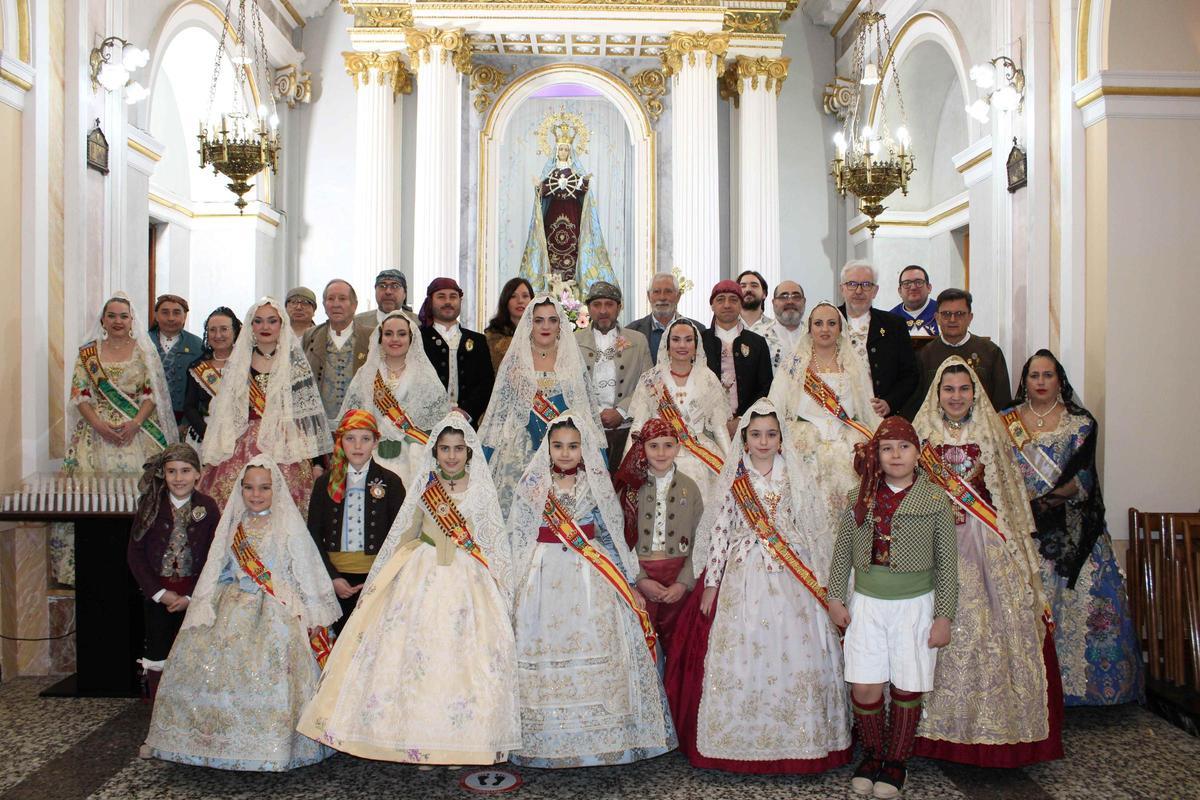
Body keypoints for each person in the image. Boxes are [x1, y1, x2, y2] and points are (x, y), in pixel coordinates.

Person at [297, 415, 520, 764]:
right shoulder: (423, 487)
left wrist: (502, 586)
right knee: (419, 659)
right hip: (423, 574)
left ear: (469, 452)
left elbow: (492, 540)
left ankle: (462, 741)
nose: (451, 456)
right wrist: (381, 582)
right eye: (444, 449)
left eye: (458, 449)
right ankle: (418, 740)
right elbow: (404, 534)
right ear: (435, 451)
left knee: (461, 662)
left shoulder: (480, 488)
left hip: (467, 580)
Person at [665, 400, 851, 773]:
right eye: (755, 435)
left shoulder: (795, 475)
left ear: (781, 438)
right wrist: (712, 583)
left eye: (770, 434)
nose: (763, 442)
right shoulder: (734, 477)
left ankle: (803, 740)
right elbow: (719, 531)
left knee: (800, 651)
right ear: (744, 439)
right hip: (743, 571)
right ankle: (738, 742)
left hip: (793, 573)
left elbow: (814, 529)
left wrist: (826, 584)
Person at [911, 357, 1063, 767]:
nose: (956, 396)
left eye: (963, 389)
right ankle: (926, 730)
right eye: (949, 389)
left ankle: (997, 729)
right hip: (934, 537)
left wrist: (1013, 544)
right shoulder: (921, 434)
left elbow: (1008, 493)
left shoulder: (992, 434)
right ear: (937, 394)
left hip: (983, 538)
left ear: (974, 392)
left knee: (995, 621)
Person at [145, 455, 341, 771]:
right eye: (249, 487)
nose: (256, 494)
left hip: (276, 610)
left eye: (264, 488)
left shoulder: (287, 527)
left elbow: (304, 570)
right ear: (240, 490)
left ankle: (271, 745)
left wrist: (311, 612)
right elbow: (217, 568)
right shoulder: (232, 526)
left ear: (276, 489)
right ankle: (210, 742)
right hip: (231, 605)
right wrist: (205, 602)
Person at [507, 413, 676, 767]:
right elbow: (519, 535)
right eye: (558, 446)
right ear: (547, 448)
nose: (565, 453)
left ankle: (606, 733)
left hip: (590, 571)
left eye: (573, 446)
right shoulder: (533, 484)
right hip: (542, 573)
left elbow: (610, 533)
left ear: (583, 449)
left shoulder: (595, 483)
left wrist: (628, 581)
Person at [828, 417, 958, 799]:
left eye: (904, 447)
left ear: (918, 453)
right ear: (876, 455)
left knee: (907, 683)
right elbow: (841, 556)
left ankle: (896, 763)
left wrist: (944, 616)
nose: (895, 455)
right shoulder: (858, 497)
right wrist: (835, 597)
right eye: (887, 448)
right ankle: (872, 754)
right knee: (866, 684)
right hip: (867, 603)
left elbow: (947, 564)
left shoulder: (935, 500)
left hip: (915, 606)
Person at [1002, 350, 1142, 706]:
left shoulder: (1080, 422)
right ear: (1025, 380)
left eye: (1048, 375)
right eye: (1034, 376)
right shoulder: (1005, 420)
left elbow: (1085, 477)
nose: (1041, 382)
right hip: (1024, 527)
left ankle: (1080, 690)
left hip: (1072, 528)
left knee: (1077, 603)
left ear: (1059, 379)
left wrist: (1053, 496)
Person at [56, 294, 177, 585]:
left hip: (138, 432)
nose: (118, 321)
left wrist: (135, 423)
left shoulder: (143, 352)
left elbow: (152, 394)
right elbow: (80, 394)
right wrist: (99, 425)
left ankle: (142, 567)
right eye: (112, 316)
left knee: (141, 500)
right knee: (92, 501)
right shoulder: (88, 354)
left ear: (131, 320)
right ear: (103, 320)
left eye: (123, 316)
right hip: (94, 435)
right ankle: (93, 564)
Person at [199, 297, 332, 515]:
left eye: (272, 321)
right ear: (251, 326)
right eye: (258, 321)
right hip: (241, 443)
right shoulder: (240, 361)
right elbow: (224, 412)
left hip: (286, 444)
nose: (265, 327)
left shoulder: (294, 363)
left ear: (281, 325)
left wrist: (317, 462)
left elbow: (307, 413)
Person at [479, 294, 600, 513]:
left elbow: (582, 409)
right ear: (529, 324)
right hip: (520, 451)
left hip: (564, 450)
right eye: (538, 320)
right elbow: (500, 411)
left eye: (552, 320)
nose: (546, 326)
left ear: (560, 325)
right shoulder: (516, 361)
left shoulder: (571, 360)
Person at [767, 303, 881, 533]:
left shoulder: (852, 363)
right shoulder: (795, 363)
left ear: (841, 328)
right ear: (809, 328)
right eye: (818, 323)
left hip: (846, 439)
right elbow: (775, 403)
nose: (825, 329)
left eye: (831, 323)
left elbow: (867, 407)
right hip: (805, 442)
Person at [126, 443, 220, 712]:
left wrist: (192, 596)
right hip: (158, 595)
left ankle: (191, 712)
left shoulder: (208, 507)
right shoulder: (150, 505)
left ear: (198, 474)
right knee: (158, 651)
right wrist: (159, 593)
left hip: (193, 596)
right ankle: (160, 712)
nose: (179, 478)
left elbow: (214, 555)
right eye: (172, 472)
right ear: (163, 474)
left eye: (185, 471)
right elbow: (135, 553)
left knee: (192, 652)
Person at [307, 409, 405, 634]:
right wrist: (332, 578)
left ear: (375, 442)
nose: (358, 446)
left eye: (365, 439)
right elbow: (313, 533)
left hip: (376, 579)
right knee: (340, 639)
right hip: (336, 580)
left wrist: (380, 577)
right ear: (340, 441)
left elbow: (399, 534)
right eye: (350, 438)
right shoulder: (324, 483)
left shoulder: (391, 482)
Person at [613, 418, 703, 657]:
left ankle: (674, 693)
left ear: (678, 447)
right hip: (642, 574)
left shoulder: (690, 488)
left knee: (679, 648)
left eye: (668, 445)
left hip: (679, 577)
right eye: (654, 446)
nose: (661, 453)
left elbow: (699, 539)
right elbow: (619, 539)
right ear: (642, 448)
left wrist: (683, 582)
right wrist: (639, 579)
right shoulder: (630, 488)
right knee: (642, 644)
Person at [339, 311, 450, 487]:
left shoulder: (425, 376)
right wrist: (380, 427)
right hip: (371, 455)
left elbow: (438, 423)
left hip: (414, 459)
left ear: (411, 338)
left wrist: (402, 429)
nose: (395, 339)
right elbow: (351, 418)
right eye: (388, 334)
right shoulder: (366, 374)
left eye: (402, 334)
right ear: (380, 338)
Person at [626, 319, 731, 497]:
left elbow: (720, 427)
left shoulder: (708, 378)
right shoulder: (651, 378)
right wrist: (628, 465)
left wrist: (732, 465)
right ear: (667, 345)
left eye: (688, 339)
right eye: (676, 339)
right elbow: (638, 425)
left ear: (696, 345)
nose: (682, 345)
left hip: (700, 453)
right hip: (659, 453)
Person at [517, 115, 619, 295]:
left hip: (573, 215)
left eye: (566, 149)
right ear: (556, 151)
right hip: (552, 216)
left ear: (570, 151)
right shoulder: (550, 171)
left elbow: (583, 191)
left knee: (573, 246)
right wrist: (541, 187)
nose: (563, 152)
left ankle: (574, 284)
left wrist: (582, 183)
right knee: (552, 247)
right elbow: (543, 193)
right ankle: (551, 283)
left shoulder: (575, 171)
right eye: (561, 149)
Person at [575, 281, 652, 472]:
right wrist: (596, 412)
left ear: (619, 307)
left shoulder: (637, 340)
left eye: (609, 304)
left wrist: (621, 412)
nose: (603, 310)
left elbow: (649, 384)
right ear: (589, 308)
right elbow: (570, 385)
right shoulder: (573, 340)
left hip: (627, 429)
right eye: (597, 304)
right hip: (586, 429)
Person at [837, 260, 919, 418]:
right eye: (852, 284)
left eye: (866, 284)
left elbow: (910, 375)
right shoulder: (828, 321)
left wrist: (890, 402)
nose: (859, 291)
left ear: (875, 291)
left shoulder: (894, 325)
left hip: (879, 415)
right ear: (842, 289)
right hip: (837, 413)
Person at [913, 289, 1012, 413]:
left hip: (982, 429)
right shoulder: (924, 355)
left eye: (959, 313)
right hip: (936, 429)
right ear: (937, 318)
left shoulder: (990, 352)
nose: (952, 319)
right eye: (946, 314)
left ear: (970, 318)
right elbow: (917, 404)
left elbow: (1003, 402)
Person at [419, 278, 495, 426]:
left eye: (453, 297)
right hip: (425, 425)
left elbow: (486, 383)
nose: (448, 301)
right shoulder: (417, 338)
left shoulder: (478, 340)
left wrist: (466, 412)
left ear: (460, 301)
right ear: (430, 301)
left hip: (468, 425)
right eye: (441, 296)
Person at [701, 280, 773, 435]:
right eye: (720, 300)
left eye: (733, 300)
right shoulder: (699, 341)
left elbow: (765, 387)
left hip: (749, 425)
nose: (727, 305)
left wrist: (742, 418)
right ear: (712, 305)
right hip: (705, 426)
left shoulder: (757, 343)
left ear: (741, 305)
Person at [303, 279, 373, 427]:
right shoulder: (310, 336)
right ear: (324, 305)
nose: (336, 304)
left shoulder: (371, 337)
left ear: (354, 305)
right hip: (319, 425)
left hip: (359, 424)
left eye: (342, 299)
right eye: (330, 299)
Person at [182, 306, 241, 447]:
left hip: (239, 437)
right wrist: (208, 434)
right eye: (212, 330)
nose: (218, 335)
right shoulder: (198, 367)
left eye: (224, 329)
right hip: (204, 437)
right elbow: (190, 406)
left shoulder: (248, 364)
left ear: (235, 331)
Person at [149, 294, 204, 434]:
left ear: (185, 316)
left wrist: (187, 422)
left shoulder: (198, 346)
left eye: (177, 312)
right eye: (165, 312)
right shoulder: (142, 342)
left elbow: (201, 390)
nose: (171, 318)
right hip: (146, 417)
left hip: (183, 419)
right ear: (155, 315)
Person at [627, 272, 704, 363]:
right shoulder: (632, 331)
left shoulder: (699, 330)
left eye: (668, 291)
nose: (662, 297)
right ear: (649, 296)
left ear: (678, 296)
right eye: (656, 292)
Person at [484, 276, 534, 371]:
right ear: (505, 301)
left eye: (525, 296)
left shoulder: (541, 332)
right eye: (513, 296)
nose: (520, 301)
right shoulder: (493, 337)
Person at [767, 280, 807, 369]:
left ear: (804, 302)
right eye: (783, 297)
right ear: (774, 303)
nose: (790, 301)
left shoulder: (813, 335)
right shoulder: (758, 336)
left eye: (796, 297)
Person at [889, 265, 939, 336]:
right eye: (906, 283)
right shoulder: (890, 319)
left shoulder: (943, 313)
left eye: (918, 282)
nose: (913, 287)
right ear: (900, 291)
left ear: (929, 288)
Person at [736, 270, 773, 337]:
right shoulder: (727, 327)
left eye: (754, 286)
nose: (748, 289)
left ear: (764, 293)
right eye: (743, 286)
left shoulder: (775, 328)